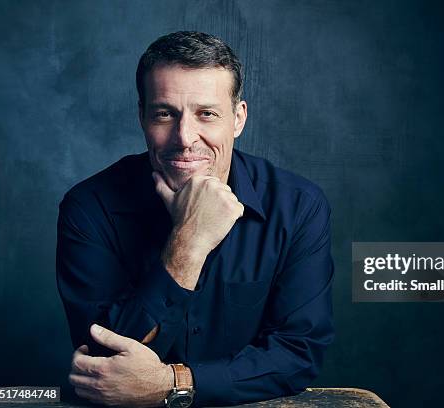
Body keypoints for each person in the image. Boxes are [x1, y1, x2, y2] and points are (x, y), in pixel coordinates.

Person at [56, 31, 334, 407]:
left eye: (207, 114)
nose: (185, 137)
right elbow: (106, 367)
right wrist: (188, 242)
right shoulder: (89, 209)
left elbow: (297, 354)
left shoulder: (298, 207)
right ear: (141, 117)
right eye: (164, 114)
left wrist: (174, 382)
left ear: (238, 118)